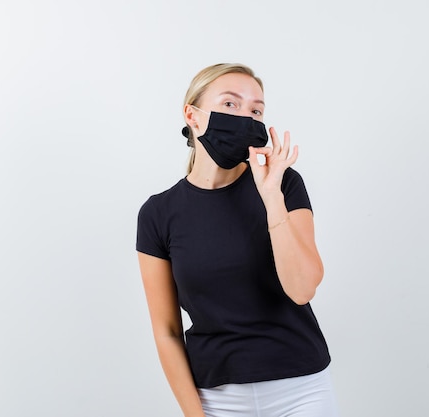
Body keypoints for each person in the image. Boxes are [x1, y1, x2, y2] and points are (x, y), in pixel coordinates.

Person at [136, 63, 339, 417]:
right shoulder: (158, 213)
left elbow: (302, 288)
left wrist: (271, 194)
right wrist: (194, 414)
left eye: (256, 110)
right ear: (192, 115)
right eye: (230, 104)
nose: (245, 116)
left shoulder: (285, 185)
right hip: (216, 400)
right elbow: (167, 331)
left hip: (301, 390)